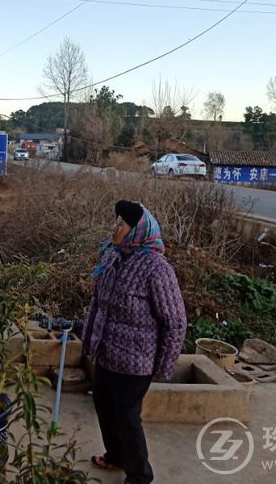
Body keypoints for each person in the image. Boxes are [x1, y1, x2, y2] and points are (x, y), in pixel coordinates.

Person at [81, 200, 187, 484]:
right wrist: (89, 341)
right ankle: (116, 455)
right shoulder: (111, 256)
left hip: (136, 361)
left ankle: (140, 474)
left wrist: (164, 366)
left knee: (127, 418)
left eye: (121, 225)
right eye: (115, 222)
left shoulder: (156, 268)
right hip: (106, 352)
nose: (114, 228)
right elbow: (97, 303)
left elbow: (175, 321)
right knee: (104, 408)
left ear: (138, 231)